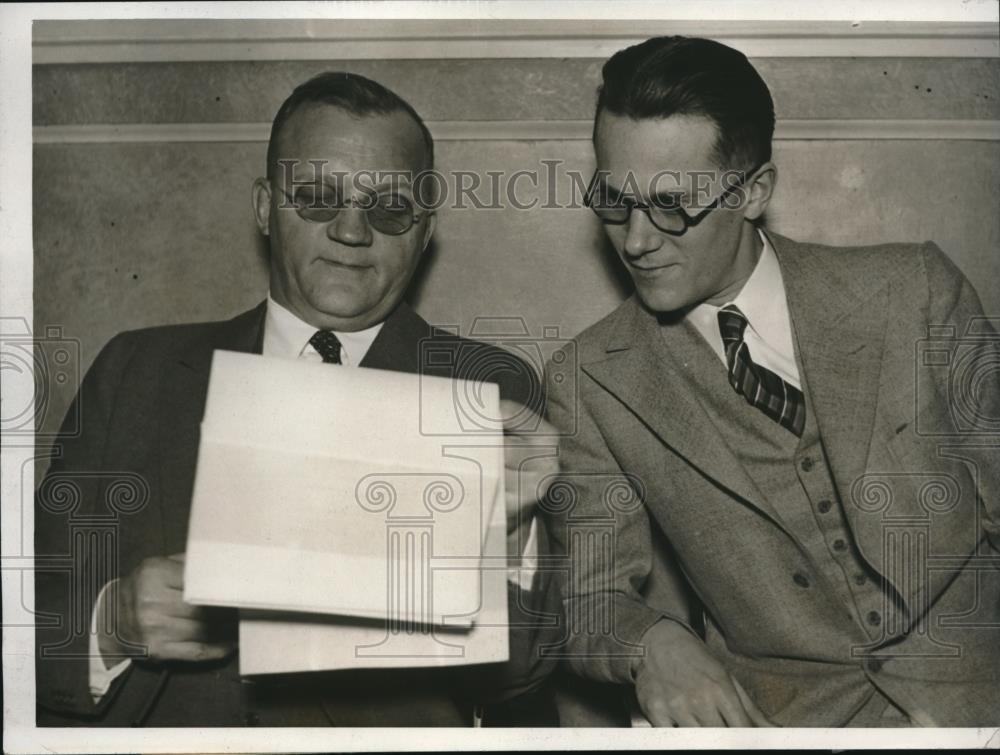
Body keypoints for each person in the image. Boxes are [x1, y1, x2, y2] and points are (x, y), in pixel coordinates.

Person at [35, 72, 560, 727]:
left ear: (423, 233)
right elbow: (30, 606)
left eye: (389, 207)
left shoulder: (487, 391)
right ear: (264, 207)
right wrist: (110, 621)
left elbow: (516, 682)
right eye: (316, 196)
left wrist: (504, 537)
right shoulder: (136, 371)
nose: (351, 229)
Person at [542, 36, 999, 727]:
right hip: (780, 723)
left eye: (672, 206)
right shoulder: (588, 381)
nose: (636, 240)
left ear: (754, 191)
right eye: (614, 201)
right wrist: (652, 641)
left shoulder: (915, 290)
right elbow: (588, 596)